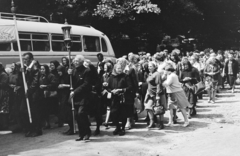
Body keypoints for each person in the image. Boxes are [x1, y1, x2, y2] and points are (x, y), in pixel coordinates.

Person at [68, 55, 92, 141]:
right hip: (75, 96)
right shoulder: (73, 71)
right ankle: (81, 134)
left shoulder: (87, 71)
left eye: (77, 61)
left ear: (82, 62)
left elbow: (86, 84)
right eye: (74, 60)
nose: (75, 62)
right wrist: (68, 75)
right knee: (77, 116)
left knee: (81, 113)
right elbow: (70, 83)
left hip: (84, 96)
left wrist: (75, 91)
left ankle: (87, 132)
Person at [106, 63, 133, 136]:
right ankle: (117, 127)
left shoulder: (125, 76)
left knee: (123, 114)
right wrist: (111, 91)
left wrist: (121, 90)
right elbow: (108, 87)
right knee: (114, 113)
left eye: (120, 68)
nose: (119, 70)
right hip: (114, 98)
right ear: (115, 69)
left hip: (123, 97)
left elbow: (130, 87)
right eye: (118, 68)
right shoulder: (112, 77)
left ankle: (122, 128)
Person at [20, 52, 42, 137]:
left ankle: (37, 130)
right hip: (28, 92)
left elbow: (35, 82)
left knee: (35, 112)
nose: (24, 61)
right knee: (23, 111)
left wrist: (29, 92)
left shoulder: (35, 67)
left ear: (31, 59)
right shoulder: (27, 68)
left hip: (33, 94)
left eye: (26, 59)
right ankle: (30, 128)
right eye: (24, 59)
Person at [162, 63, 191, 127]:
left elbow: (166, 84)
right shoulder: (170, 75)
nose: (164, 71)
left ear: (169, 70)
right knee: (170, 107)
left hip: (177, 92)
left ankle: (186, 121)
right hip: (171, 93)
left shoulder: (172, 76)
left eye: (165, 70)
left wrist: (162, 81)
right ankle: (170, 121)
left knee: (182, 107)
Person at [144, 61, 166, 129]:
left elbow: (158, 84)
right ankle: (152, 122)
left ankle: (161, 123)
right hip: (150, 94)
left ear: (154, 67)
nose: (149, 67)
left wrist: (157, 96)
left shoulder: (157, 74)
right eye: (148, 66)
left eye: (151, 66)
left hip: (157, 94)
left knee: (159, 108)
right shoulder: (150, 74)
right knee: (148, 107)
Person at [39, 65, 58, 129]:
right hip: (43, 95)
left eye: (43, 69)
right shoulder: (41, 76)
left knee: (53, 109)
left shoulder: (51, 76)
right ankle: (47, 123)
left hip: (50, 95)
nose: (42, 70)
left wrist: (46, 86)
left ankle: (59, 121)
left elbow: (54, 84)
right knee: (44, 110)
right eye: (41, 69)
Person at [8, 62, 24, 132]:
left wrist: (18, 87)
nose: (12, 67)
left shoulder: (21, 74)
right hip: (14, 93)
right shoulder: (11, 74)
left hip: (20, 94)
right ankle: (18, 125)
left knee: (20, 110)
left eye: (14, 66)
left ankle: (22, 126)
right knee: (15, 110)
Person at [57, 65, 71, 133]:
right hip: (62, 96)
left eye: (59, 71)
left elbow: (71, 85)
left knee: (68, 112)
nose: (58, 73)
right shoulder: (60, 77)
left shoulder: (67, 76)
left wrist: (63, 85)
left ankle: (71, 127)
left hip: (67, 95)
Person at [0, 62, 9, 130]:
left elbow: (3, 84)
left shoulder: (3, 75)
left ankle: (4, 125)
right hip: (1, 93)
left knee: (3, 109)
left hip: (4, 93)